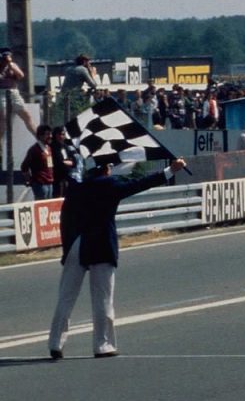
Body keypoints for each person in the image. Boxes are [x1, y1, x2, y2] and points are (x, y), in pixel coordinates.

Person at [47, 157, 188, 359]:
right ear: (105, 169)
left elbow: (65, 219)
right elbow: (138, 184)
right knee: (103, 297)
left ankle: (55, 343)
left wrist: (68, 246)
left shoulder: (76, 188)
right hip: (101, 244)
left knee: (66, 297)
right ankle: (102, 345)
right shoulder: (109, 184)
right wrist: (170, 171)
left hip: (76, 244)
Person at [0, 48, 37, 143]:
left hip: (14, 92)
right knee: (3, 119)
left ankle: (38, 137)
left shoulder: (12, 65)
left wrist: (11, 65)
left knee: (26, 115)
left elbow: (21, 75)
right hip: (2, 93)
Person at [58, 54, 98, 125]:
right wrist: (92, 73)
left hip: (63, 97)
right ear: (84, 62)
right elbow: (93, 85)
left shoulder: (69, 69)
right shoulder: (82, 69)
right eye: (88, 62)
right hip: (74, 98)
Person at [20, 124, 54, 200]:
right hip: (40, 185)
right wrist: (30, 181)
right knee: (42, 208)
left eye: (50, 134)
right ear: (40, 136)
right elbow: (24, 166)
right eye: (47, 134)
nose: (50, 136)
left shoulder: (48, 148)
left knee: (49, 207)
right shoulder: (34, 150)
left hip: (50, 183)